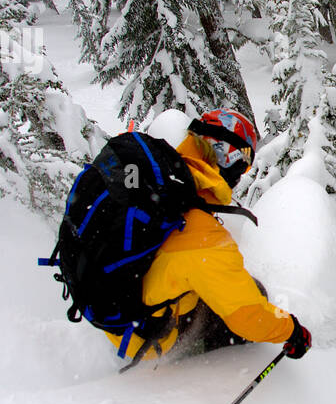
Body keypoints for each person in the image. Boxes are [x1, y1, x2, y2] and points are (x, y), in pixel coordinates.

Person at [106, 109, 311, 363]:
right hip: (144, 335)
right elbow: (248, 317)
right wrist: (291, 330)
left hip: (119, 307)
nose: (243, 172)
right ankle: (195, 366)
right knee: (251, 298)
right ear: (227, 156)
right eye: (243, 161)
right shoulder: (198, 229)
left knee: (228, 287)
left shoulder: (165, 186)